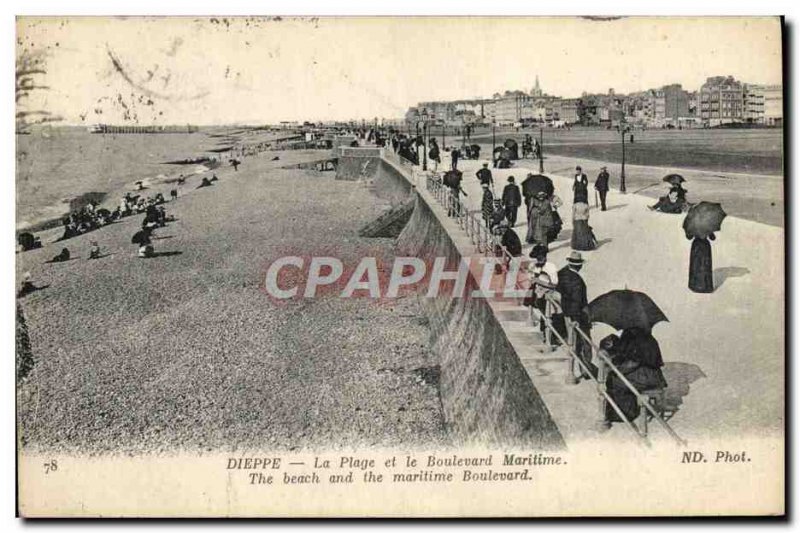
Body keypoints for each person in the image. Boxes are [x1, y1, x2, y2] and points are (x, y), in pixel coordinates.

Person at [601, 328, 668, 424]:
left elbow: (634, 362)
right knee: (618, 377)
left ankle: (624, 414)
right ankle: (627, 411)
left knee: (615, 380)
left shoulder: (638, 337)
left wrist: (618, 370)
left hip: (648, 376)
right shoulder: (640, 334)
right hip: (649, 374)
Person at [557, 251, 594, 381]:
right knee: (585, 343)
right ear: (579, 266)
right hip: (577, 315)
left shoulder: (562, 273)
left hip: (566, 312)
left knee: (574, 342)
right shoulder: (577, 281)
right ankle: (585, 370)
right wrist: (577, 319)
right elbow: (577, 302)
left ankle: (580, 368)